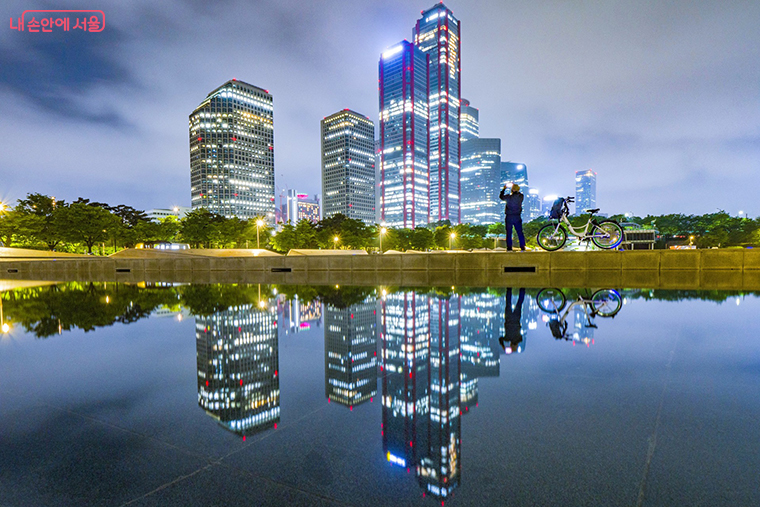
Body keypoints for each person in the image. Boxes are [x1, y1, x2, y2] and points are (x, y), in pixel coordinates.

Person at [499, 287, 526, 354]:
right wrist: (503, 346)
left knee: (519, 303)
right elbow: (500, 339)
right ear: (511, 345)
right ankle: (509, 289)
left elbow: (521, 338)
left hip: (516, 319)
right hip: (508, 318)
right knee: (508, 302)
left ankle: (522, 289)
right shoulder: (507, 338)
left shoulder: (519, 339)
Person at [499, 183, 526, 251]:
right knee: (520, 232)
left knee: (509, 233)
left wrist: (504, 189)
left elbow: (501, 197)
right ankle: (522, 246)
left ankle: (509, 247)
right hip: (517, 216)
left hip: (509, 216)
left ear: (512, 189)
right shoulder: (521, 196)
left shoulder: (508, 197)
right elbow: (518, 195)